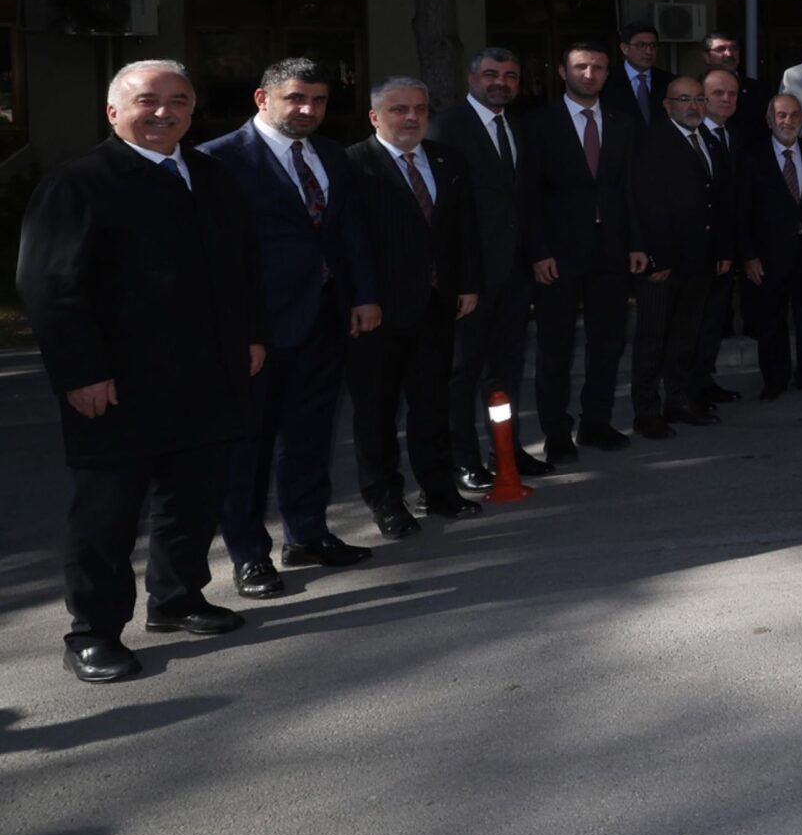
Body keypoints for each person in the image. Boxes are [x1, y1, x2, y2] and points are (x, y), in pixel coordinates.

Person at [20, 60, 264, 683]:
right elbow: (50, 286)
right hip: (117, 384)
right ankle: (93, 633)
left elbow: (242, 265)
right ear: (113, 112)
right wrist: (81, 372)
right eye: (147, 101)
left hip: (207, 376)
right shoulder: (79, 182)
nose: (164, 112)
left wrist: (252, 336)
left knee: (193, 500)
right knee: (107, 517)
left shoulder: (211, 176)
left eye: (178, 101)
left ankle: (176, 599)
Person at [201, 58, 383, 599]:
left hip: (325, 318)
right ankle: (249, 554)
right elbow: (215, 258)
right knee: (249, 447)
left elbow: (350, 231)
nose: (308, 109)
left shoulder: (331, 154)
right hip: (259, 329)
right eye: (296, 98)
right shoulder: (219, 160)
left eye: (319, 100)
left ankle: (306, 534)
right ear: (263, 99)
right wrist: (237, 330)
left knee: (310, 437)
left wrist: (364, 295)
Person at [344, 77, 482, 540]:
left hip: (437, 306)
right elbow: (350, 241)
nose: (411, 117)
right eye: (399, 109)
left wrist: (467, 284)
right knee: (376, 412)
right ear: (374, 117)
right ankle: (385, 500)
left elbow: (464, 229)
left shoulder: (447, 159)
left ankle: (438, 490)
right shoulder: (353, 165)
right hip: (378, 313)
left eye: (420, 109)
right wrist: (362, 298)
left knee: (431, 403)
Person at [429, 47, 551, 494]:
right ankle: (463, 459)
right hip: (470, 279)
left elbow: (526, 201)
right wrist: (459, 278)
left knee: (507, 368)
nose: (501, 82)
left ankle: (507, 450)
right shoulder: (445, 127)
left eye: (511, 75)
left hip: (515, 274)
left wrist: (538, 253)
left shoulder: (517, 126)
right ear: (472, 78)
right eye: (491, 74)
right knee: (463, 373)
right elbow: (444, 213)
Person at [528, 42, 640, 469]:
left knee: (608, 341)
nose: (589, 74)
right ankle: (556, 432)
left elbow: (631, 189)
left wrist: (636, 244)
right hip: (557, 254)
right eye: (581, 67)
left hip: (611, 249)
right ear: (563, 71)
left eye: (598, 67)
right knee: (555, 346)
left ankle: (596, 422)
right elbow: (528, 196)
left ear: (608, 74)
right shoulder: (539, 125)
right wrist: (538, 251)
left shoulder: (623, 123)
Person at [628, 77, 736, 435]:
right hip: (662, 264)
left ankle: (678, 401)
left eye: (699, 99)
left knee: (685, 338)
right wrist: (657, 257)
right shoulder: (651, 142)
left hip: (700, 260)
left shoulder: (709, 139)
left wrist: (723, 249)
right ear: (667, 105)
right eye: (684, 99)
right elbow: (646, 202)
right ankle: (646, 412)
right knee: (652, 340)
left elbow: (720, 201)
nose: (693, 106)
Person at [740, 93, 802, 398]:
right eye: (781, 115)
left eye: (794, 115)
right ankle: (775, 380)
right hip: (768, 256)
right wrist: (749, 256)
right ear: (770, 120)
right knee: (771, 321)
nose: (788, 121)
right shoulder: (753, 156)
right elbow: (743, 211)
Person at [689, 66, 751, 406]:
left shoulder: (737, 135)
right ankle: (687, 391)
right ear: (702, 97)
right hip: (698, 250)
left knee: (713, 321)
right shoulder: (691, 137)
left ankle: (703, 381)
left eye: (732, 94)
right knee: (693, 323)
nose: (727, 99)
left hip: (727, 248)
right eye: (718, 93)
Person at [702, 28, 772, 133]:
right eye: (720, 49)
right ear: (706, 57)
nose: (729, 54)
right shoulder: (696, 89)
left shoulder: (759, 90)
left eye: (734, 48)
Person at [603, 19, 668, 128]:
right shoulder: (606, 79)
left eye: (653, 45)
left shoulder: (668, 81)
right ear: (625, 48)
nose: (648, 51)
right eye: (641, 45)